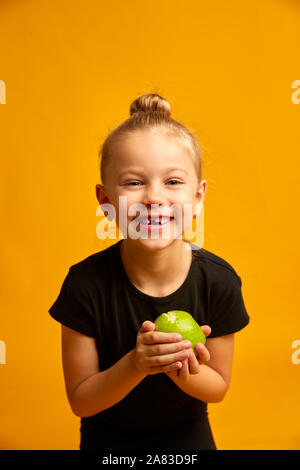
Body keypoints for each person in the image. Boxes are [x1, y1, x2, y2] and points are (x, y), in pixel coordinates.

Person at [48, 93, 250, 450]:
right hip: (108, 437)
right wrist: (137, 364)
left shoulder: (219, 281)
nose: (154, 198)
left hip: (187, 434)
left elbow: (217, 388)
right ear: (105, 201)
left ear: (198, 197)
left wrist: (179, 365)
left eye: (172, 182)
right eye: (133, 183)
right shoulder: (84, 285)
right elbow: (81, 401)